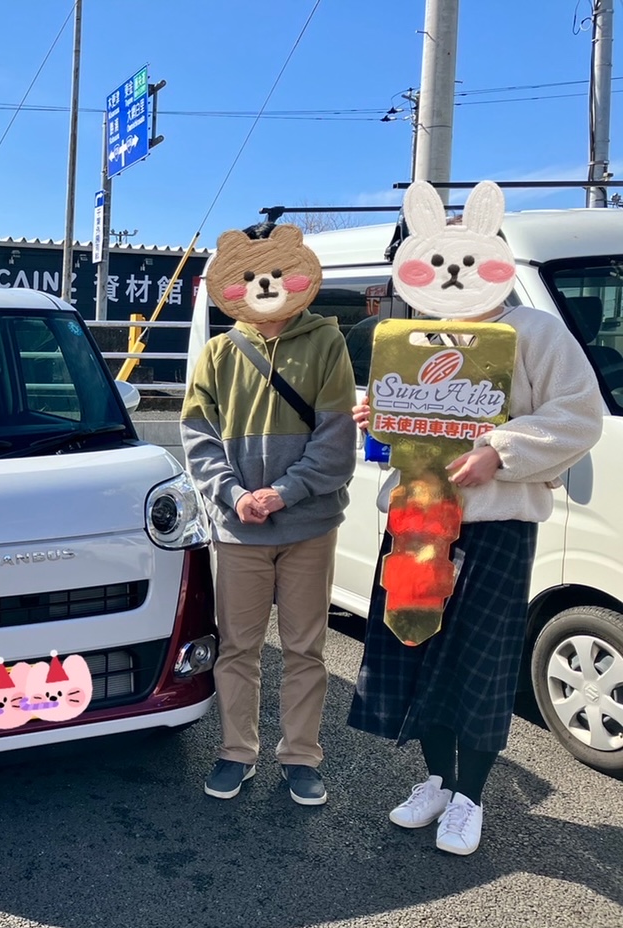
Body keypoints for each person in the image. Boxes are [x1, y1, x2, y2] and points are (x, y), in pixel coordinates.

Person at [348, 181, 604, 856]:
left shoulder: (535, 331)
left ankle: (471, 796)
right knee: (414, 649)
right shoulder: (411, 339)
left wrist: (501, 449)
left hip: (495, 527)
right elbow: (411, 437)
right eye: (436, 261)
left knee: (481, 663)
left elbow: (579, 416)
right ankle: (435, 777)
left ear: (493, 258)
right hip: (415, 519)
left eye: (466, 259)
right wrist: (380, 422)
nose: (451, 275)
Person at [182, 222, 357, 806]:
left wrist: (282, 493)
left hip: (308, 525)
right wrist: (234, 495)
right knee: (238, 646)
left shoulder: (327, 343)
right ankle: (237, 751)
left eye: (277, 273)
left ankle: (301, 756)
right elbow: (198, 438)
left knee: (306, 647)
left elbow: (336, 443)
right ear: (230, 285)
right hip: (238, 529)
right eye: (251, 276)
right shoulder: (217, 353)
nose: (264, 285)